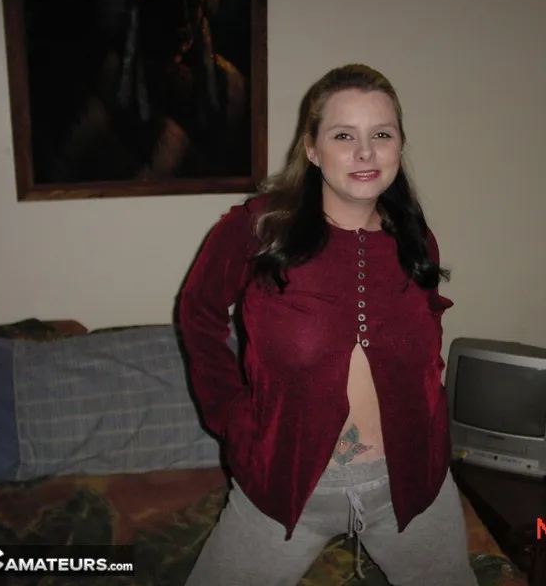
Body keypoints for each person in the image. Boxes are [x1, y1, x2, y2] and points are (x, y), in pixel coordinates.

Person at [178, 63, 477, 586]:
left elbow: (428, 332)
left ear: (399, 145)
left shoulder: (414, 237)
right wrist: (230, 414)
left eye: (381, 134)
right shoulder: (257, 229)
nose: (365, 152)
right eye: (343, 135)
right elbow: (197, 313)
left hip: (411, 486)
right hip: (283, 488)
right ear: (312, 149)